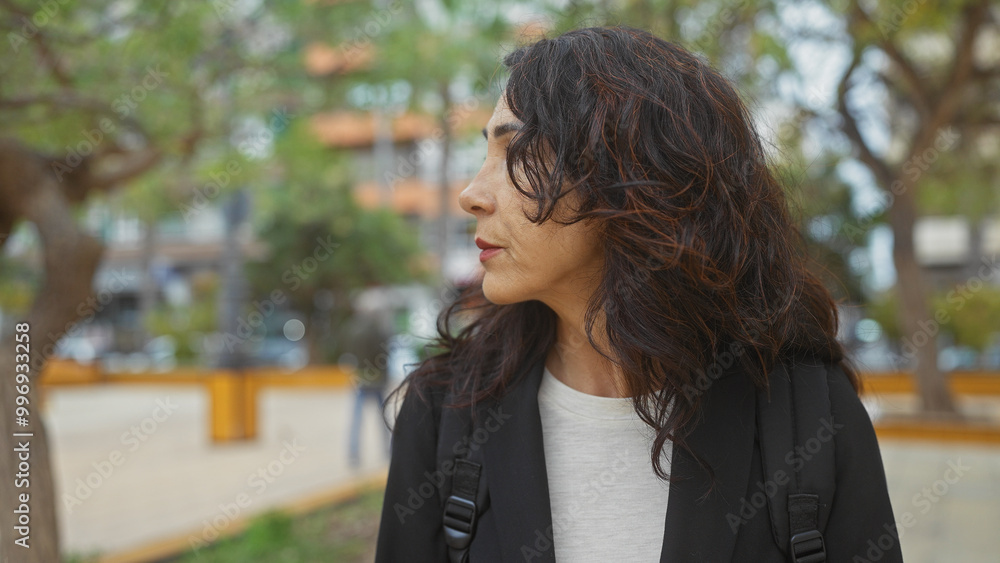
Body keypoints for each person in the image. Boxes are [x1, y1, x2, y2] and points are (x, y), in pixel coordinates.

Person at [374, 26, 902, 562]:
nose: (471, 195)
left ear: (635, 179)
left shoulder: (807, 412)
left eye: (517, 152)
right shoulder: (446, 408)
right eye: (485, 152)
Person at [342, 288, 395, 468]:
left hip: (360, 377)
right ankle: (388, 450)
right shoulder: (378, 330)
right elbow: (384, 354)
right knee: (383, 416)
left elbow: (349, 352)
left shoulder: (352, 329)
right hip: (377, 378)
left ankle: (353, 453)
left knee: (357, 416)